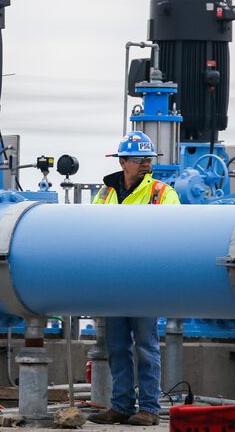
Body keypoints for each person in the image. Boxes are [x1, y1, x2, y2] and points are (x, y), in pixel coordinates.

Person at [88, 131, 180, 426]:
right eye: (140, 159)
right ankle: (121, 406)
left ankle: (150, 409)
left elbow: (174, 232)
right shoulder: (105, 193)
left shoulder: (163, 193)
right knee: (116, 347)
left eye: (148, 158)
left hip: (145, 281)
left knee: (145, 346)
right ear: (123, 162)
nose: (146, 164)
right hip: (113, 281)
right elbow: (92, 231)